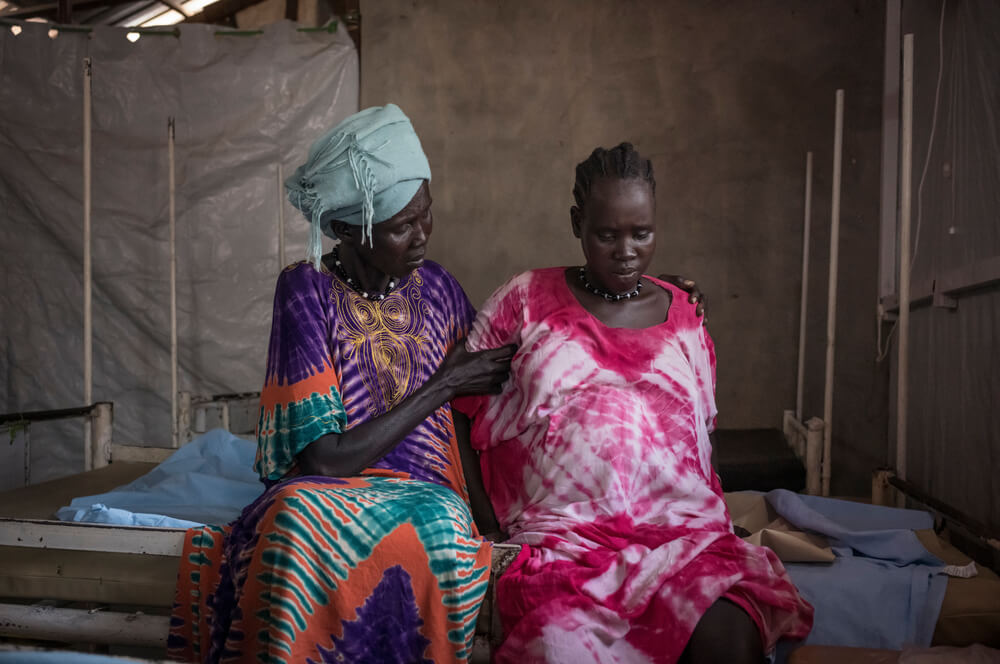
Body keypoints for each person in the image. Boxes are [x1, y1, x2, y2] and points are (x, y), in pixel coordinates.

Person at [166, 104, 514, 663]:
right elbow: (322, 462)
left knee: (434, 531)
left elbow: (490, 387)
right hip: (323, 488)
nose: (423, 235)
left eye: (427, 214)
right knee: (293, 524)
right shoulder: (304, 290)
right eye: (403, 226)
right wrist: (440, 386)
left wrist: (651, 296)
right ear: (351, 229)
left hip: (428, 491)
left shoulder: (441, 288)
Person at [454, 143, 814, 663]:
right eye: (607, 234)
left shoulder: (684, 312)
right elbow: (462, 410)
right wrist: (487, 524)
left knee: (731, 640)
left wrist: (715, 515)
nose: (626, 250)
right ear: (578, 223)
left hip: (681, 539)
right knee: (558, 645)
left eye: (640, 233)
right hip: (568, 544)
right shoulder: (525, 299)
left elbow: (697, 436)